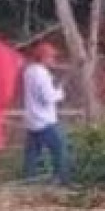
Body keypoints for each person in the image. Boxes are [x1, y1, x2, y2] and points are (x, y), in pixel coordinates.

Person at [22, 43, 71, 185]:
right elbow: (48, 98)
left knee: (32, 154)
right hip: (45, 121)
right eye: (52, 57)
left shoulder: (29, 70)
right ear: (43, 57)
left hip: (32, 120)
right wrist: (60, 93)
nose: (54, 60)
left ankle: (29, 179)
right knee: (60, 149)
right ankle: (62, 179)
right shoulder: (42, 74)